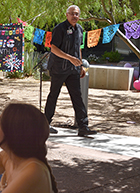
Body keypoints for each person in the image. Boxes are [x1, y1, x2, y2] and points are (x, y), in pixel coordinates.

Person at [45, 5, 97, 136]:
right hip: (58, 68)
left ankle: (83, 127)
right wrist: (70, 58)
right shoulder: (59, 28)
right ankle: (45, 124)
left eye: (77, 14)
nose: (75, 16)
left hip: (73, 70)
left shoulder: (79, 29)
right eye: (72, 14)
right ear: (67, 15)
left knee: (77, 97)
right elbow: (54, 49)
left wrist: (80, 66)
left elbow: (78, 48)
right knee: (53, 95)